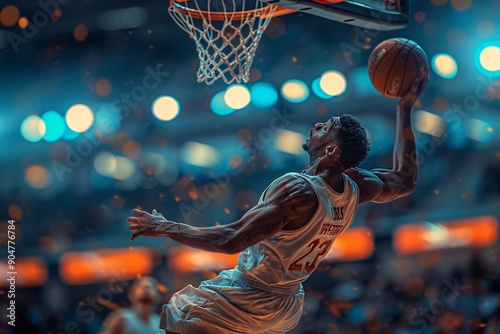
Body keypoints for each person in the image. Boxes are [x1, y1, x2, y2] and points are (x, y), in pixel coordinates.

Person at [127, 78, 427, 334]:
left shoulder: (297, 190)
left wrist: (165, 226)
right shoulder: (358, 185)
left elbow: (230, 239)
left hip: (249, 293)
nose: (319, 124)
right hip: (288, 304)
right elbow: (405, 179)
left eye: (327, 127)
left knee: (181, 310)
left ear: (332, 149)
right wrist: (404, 107)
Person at [99, 276, 165, 334]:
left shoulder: (159, 323)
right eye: (139, 285)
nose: (146, 287)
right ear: (131, 295)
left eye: (151, 286)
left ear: (159, 296)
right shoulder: (122, 318)